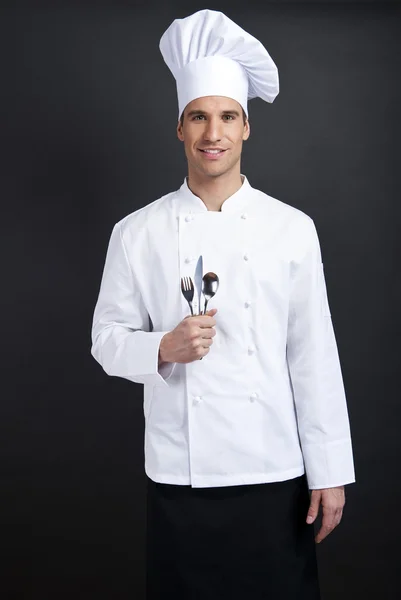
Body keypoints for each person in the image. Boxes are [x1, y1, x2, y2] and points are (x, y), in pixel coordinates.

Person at [90, 9, 356, 599]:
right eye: (199, 117)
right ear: (179, 129)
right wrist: (163, 345)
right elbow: (106, 339)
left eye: (227, 117)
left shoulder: (292, 229)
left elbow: (313, 352)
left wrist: (331, 471)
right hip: (182, 476)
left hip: (275, 473)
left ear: (246, 129)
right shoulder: (137, 232)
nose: (214, 133)